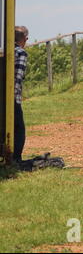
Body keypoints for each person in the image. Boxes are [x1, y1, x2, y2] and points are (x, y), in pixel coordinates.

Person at [13, 26, 29, 166]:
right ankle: (15, 159)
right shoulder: (20, 52)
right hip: (12, 98)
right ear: (25, 39)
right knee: (19, 129)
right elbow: (17, 77)